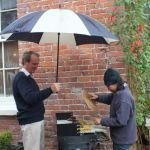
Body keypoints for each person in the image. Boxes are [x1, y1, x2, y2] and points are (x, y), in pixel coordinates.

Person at [13, 51, 60, 150]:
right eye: (34, 64)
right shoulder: (21, 78)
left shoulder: (28, 78)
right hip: (31, 122)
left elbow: (34, 97)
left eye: (38, 63)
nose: (36, 66)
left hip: (35, 121)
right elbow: (30, 98)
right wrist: (50, 89)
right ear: (25, 62)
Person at [88, 68, 137, 150]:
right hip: (122, 139)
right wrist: (98, 97)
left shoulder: (123, 98)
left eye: (108, 86)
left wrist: (101, 121)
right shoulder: (120, 91)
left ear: (115, 82)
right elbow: (110, 97)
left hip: (123, 142)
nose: (108, 88)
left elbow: (120, 121)